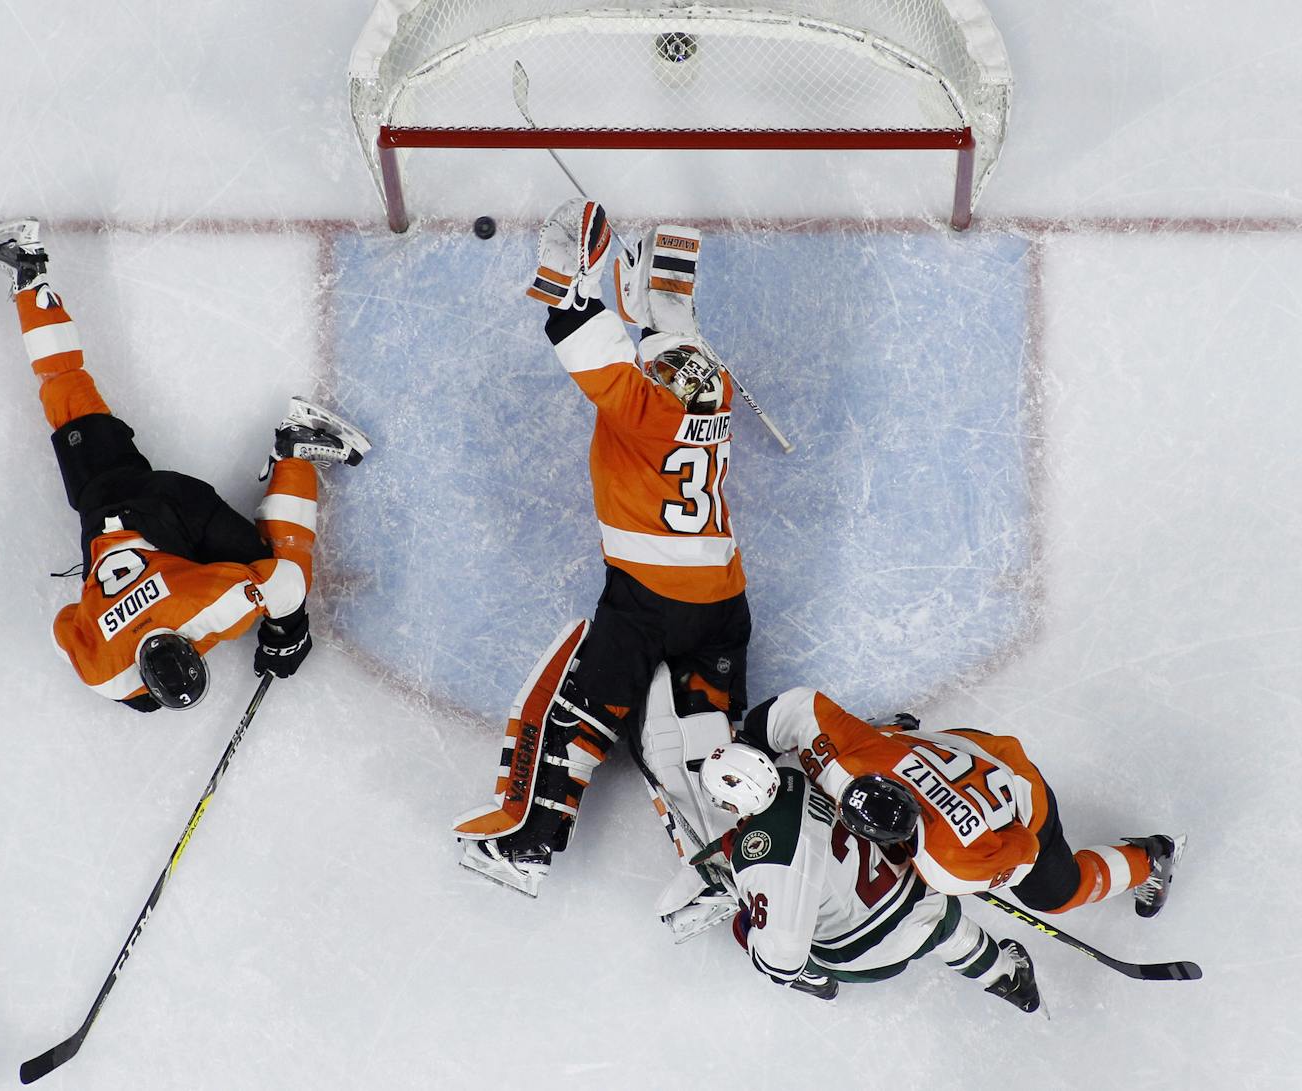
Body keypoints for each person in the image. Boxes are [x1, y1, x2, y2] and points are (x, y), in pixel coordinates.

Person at [454, 200, 751, 896]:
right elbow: (673, 343)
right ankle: (728, 866)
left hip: (646, 600)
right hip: (724, 603)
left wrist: (571, 265)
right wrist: (659, 286)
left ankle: (526, 844)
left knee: (579, 716)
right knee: (701, 736)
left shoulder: (638, 407)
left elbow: (574, 326)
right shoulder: (720, 394)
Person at [0, 219, 370, 711]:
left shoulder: (208, 604)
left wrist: (285, 632)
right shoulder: (104, 675)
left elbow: (283, 582)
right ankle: (27, 272)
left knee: (284, 568)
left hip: (178, 509)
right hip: (109, 506)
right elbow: (65, 628)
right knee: (67, 390)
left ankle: (297, 447)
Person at [738, 688, 1184, 917]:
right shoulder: (862, 758)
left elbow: (1024, 852)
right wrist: (746, 748)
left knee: (1053, 894)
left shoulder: (954, 864)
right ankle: (896, 730)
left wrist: (986, 872)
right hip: (968, 752)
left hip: (1022, 801)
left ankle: (1152, 856)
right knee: (887, 741)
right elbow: (794, 707)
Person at [689, 743, 1042, 1013]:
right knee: (943, 926)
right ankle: (1012, 981)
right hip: (918, 897)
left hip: (862, 957)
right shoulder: (795, 775)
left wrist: (744, 906)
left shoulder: (763, 859)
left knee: (760, 934)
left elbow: (781, 959)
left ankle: (814, 980)